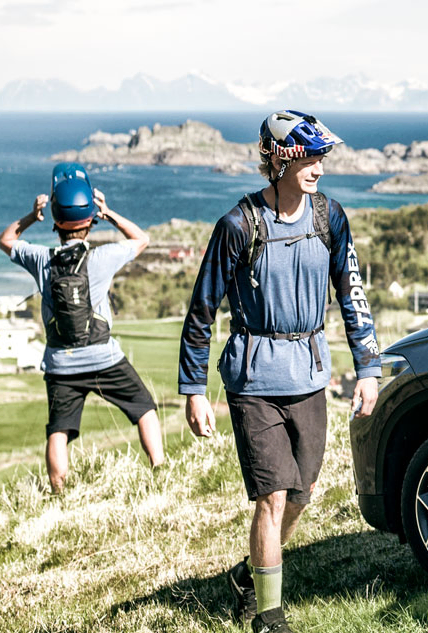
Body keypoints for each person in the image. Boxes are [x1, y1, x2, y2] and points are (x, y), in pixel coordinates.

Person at [178, 110, 381, 633]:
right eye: (308, 156)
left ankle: (249, 574)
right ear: (278, 159)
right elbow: (202, 309)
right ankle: (268, 615)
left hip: (310, 374)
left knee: (301, 493)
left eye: (321, 156)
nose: (317, 165)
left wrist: (367, 367)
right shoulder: (237, 226)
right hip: (253, 380)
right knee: (271, 495)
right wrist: (194, 389)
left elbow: (352, 295)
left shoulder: (330, 218)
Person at [0, 163, 164, 494]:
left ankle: (60, 494)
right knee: (144, 408)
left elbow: (5, 240)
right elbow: (141, 238)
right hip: (104, 357)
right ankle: (160, 473)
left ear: (57, 219)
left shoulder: (41, 259)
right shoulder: (103, 258)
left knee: (59, 429)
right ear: (90, 221)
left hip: (60, 363)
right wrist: (109, 212)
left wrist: (33, 216)